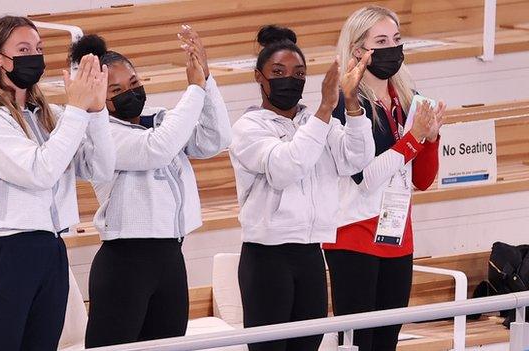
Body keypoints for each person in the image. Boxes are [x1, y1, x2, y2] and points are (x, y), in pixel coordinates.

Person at [0, 15, 115, 351]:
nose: (34, 55)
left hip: (52, 249)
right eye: (23, 49)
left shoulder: (49, 114)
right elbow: (39, 171)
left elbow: (100, 168)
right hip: (8, 252)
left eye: (39, 48)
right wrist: (77, 110)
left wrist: (97, 110)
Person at [67, 26, 232, 348]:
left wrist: (207, 80)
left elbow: (216, 139)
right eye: (115, 90)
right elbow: (157, 149)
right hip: (125, 261)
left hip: (170, 256)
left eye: (134, 83)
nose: (129, 93)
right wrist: (195, 90)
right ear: (100, 95)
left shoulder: (160, 120)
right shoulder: (101, 135)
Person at [229, 24, 375, 351]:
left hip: (310, 254)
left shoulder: (315, 122)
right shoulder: (248, 128)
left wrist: (350, 103)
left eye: (298, 73)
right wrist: (325, 110)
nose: (289, 80)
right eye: (278, 72)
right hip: (267, 259)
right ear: (259, 77)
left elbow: (357, 159)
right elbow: (285, 168)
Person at [323, 6, 446, 351]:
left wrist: (431, 139)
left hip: (397, 233)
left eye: (396, 39)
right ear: (358, 50)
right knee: (360, 343)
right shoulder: (345, 104)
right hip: (354, 235)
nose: (392, 48)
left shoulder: (407, 98)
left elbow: (422, 180)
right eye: (381, 41)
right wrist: (413, 140)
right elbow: (366, 177)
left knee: (386, 342)